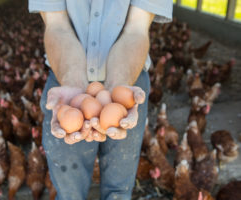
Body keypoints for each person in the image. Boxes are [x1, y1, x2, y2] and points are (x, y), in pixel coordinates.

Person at [29, 1, 172, 199]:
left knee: (119, 187)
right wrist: (73, 82)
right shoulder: (70, 93)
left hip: (129, 77)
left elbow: (136, 29)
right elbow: (57, 26)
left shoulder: (122, 94)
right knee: (68, 188)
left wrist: (118, 90)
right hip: (65, 81)